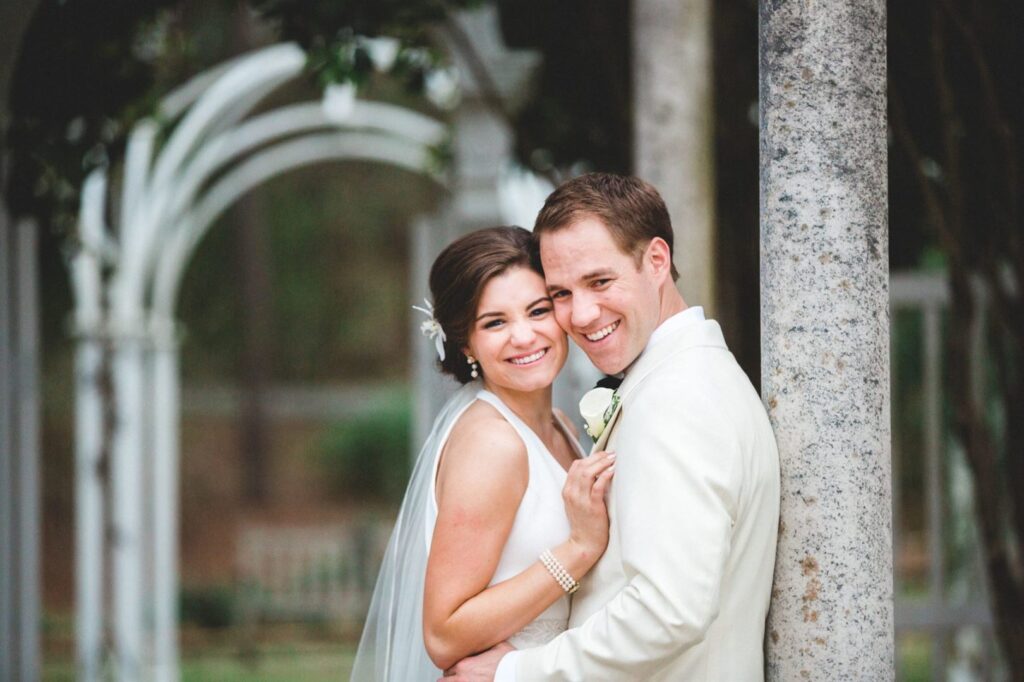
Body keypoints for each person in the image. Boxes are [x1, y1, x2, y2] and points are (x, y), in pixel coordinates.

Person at [444, 174, 781, 681]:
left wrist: (519, 672)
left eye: (600, 282)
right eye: (560, 292)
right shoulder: (689, 376)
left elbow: (667, 612)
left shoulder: (677, 398)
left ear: (657, 261)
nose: (580, 314)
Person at [351, 226, 616, 681]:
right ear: (466, 342)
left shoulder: (561, 427)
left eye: (538, 310)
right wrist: (578, 549)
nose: (524, 336)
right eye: (495, 322)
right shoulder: (492, 445)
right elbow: (444, 634)